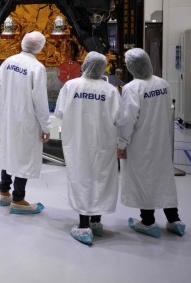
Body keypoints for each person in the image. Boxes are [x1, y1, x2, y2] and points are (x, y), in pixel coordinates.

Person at [54, 52, 122, 245]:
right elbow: (120, 118)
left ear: (84, 65)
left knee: (81, 178)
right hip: (103, 143)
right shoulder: (110, 90)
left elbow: (59, 112)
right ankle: (96, 222)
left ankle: (83, 226)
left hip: (77, 143)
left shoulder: (71, 86)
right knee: (100, 179)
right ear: (103, 68)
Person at [117, 48, 185, 238]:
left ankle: (148, 222)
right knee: (163, 179)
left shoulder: (132, 88)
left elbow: (127, 120)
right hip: (161, 141)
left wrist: (121, 144)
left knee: (143, 180)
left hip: (141, 143)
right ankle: (174, 220)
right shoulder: (162, 83)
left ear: (131, 66)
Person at [0, 31, 51, 214]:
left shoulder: (8, 62)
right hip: (26, 120)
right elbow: (40, 101)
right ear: (40, 47)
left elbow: (2, 89)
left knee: (9, 152)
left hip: (8, 117)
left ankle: (4, 192)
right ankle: (18, 199)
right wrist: (46, 126)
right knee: (23, 158)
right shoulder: (37, 68)